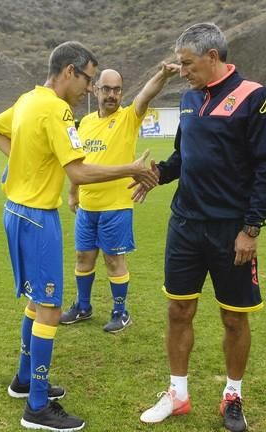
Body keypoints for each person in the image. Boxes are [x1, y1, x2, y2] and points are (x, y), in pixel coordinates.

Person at [0, 41, 158, 431]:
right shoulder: (58, 110)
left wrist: (24, 166)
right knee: (48, 306)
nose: (89, 89)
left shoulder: (28, 99)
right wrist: (129, 167)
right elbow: (78, 173)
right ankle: (38, 406)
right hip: (37, 218)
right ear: (68, 72)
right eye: (88, 80)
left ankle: (24, 380)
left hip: (14, 211)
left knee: (35, 300)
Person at [137, 23, 266, 432]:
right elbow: (183, 157)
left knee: (234, 318)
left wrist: (251, 229)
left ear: (212, 57)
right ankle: (177, 394)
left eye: (187, 63)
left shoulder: (256, 98)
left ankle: (232, 396)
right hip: (185, 226)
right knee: (178, 310)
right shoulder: (188, 100)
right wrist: (158, 173)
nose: (181, 70)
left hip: (231, 230)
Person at [60, 63, 178, 333]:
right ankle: (83, 306)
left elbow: (145, 95)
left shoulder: (128, 118)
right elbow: (79, 163)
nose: (111, 94)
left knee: (113, 260)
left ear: (121, 93)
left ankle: (120, 311)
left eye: (117, 90)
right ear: (96, 90)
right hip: (87, 207)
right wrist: (72, 191)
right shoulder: (86, 122)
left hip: (116, 207)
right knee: (82, 257)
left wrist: (161, 74)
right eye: (106, 89)